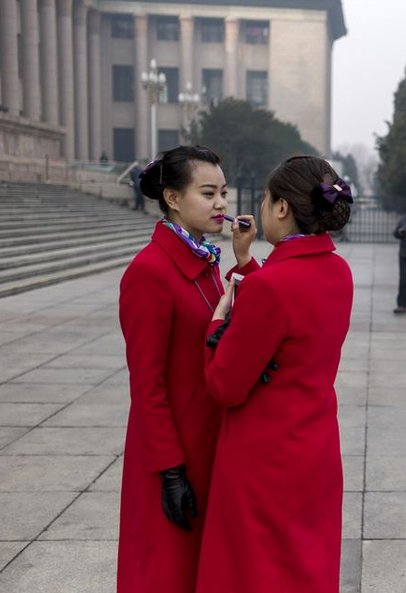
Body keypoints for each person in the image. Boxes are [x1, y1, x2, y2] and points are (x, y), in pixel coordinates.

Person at [197, 156, 354, 593]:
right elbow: (290, 310)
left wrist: (217, 322)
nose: (263, 209)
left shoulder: (272, 288)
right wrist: (246, 261)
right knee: (304, 569)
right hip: (315, 447)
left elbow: (225, 386)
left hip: (264, 458)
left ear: (282, 207)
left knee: (257, 573)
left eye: (267, 200)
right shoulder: (338, 271)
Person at [118, 145, 256, 593]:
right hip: (172, 453)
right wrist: (170, 470)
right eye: (208, 193)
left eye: (223, 193)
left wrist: (242, 260)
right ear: (173, 198)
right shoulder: (150, 272)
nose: (221, 204)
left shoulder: (204, 263)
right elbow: (147, 384)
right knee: (165, 572)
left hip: (211, 440)